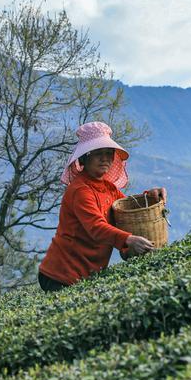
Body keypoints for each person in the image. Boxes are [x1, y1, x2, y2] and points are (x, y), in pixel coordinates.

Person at [38, 121, 167, 293]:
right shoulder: (80, 190)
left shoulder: (108, 188)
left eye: (108, 153)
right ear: (85, 157)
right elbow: (96, 227)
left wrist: (149, 196)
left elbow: (126, 211)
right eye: (98, 153)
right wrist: (128, 239)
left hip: (87, 273)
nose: (104, 158)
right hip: (61, 274)